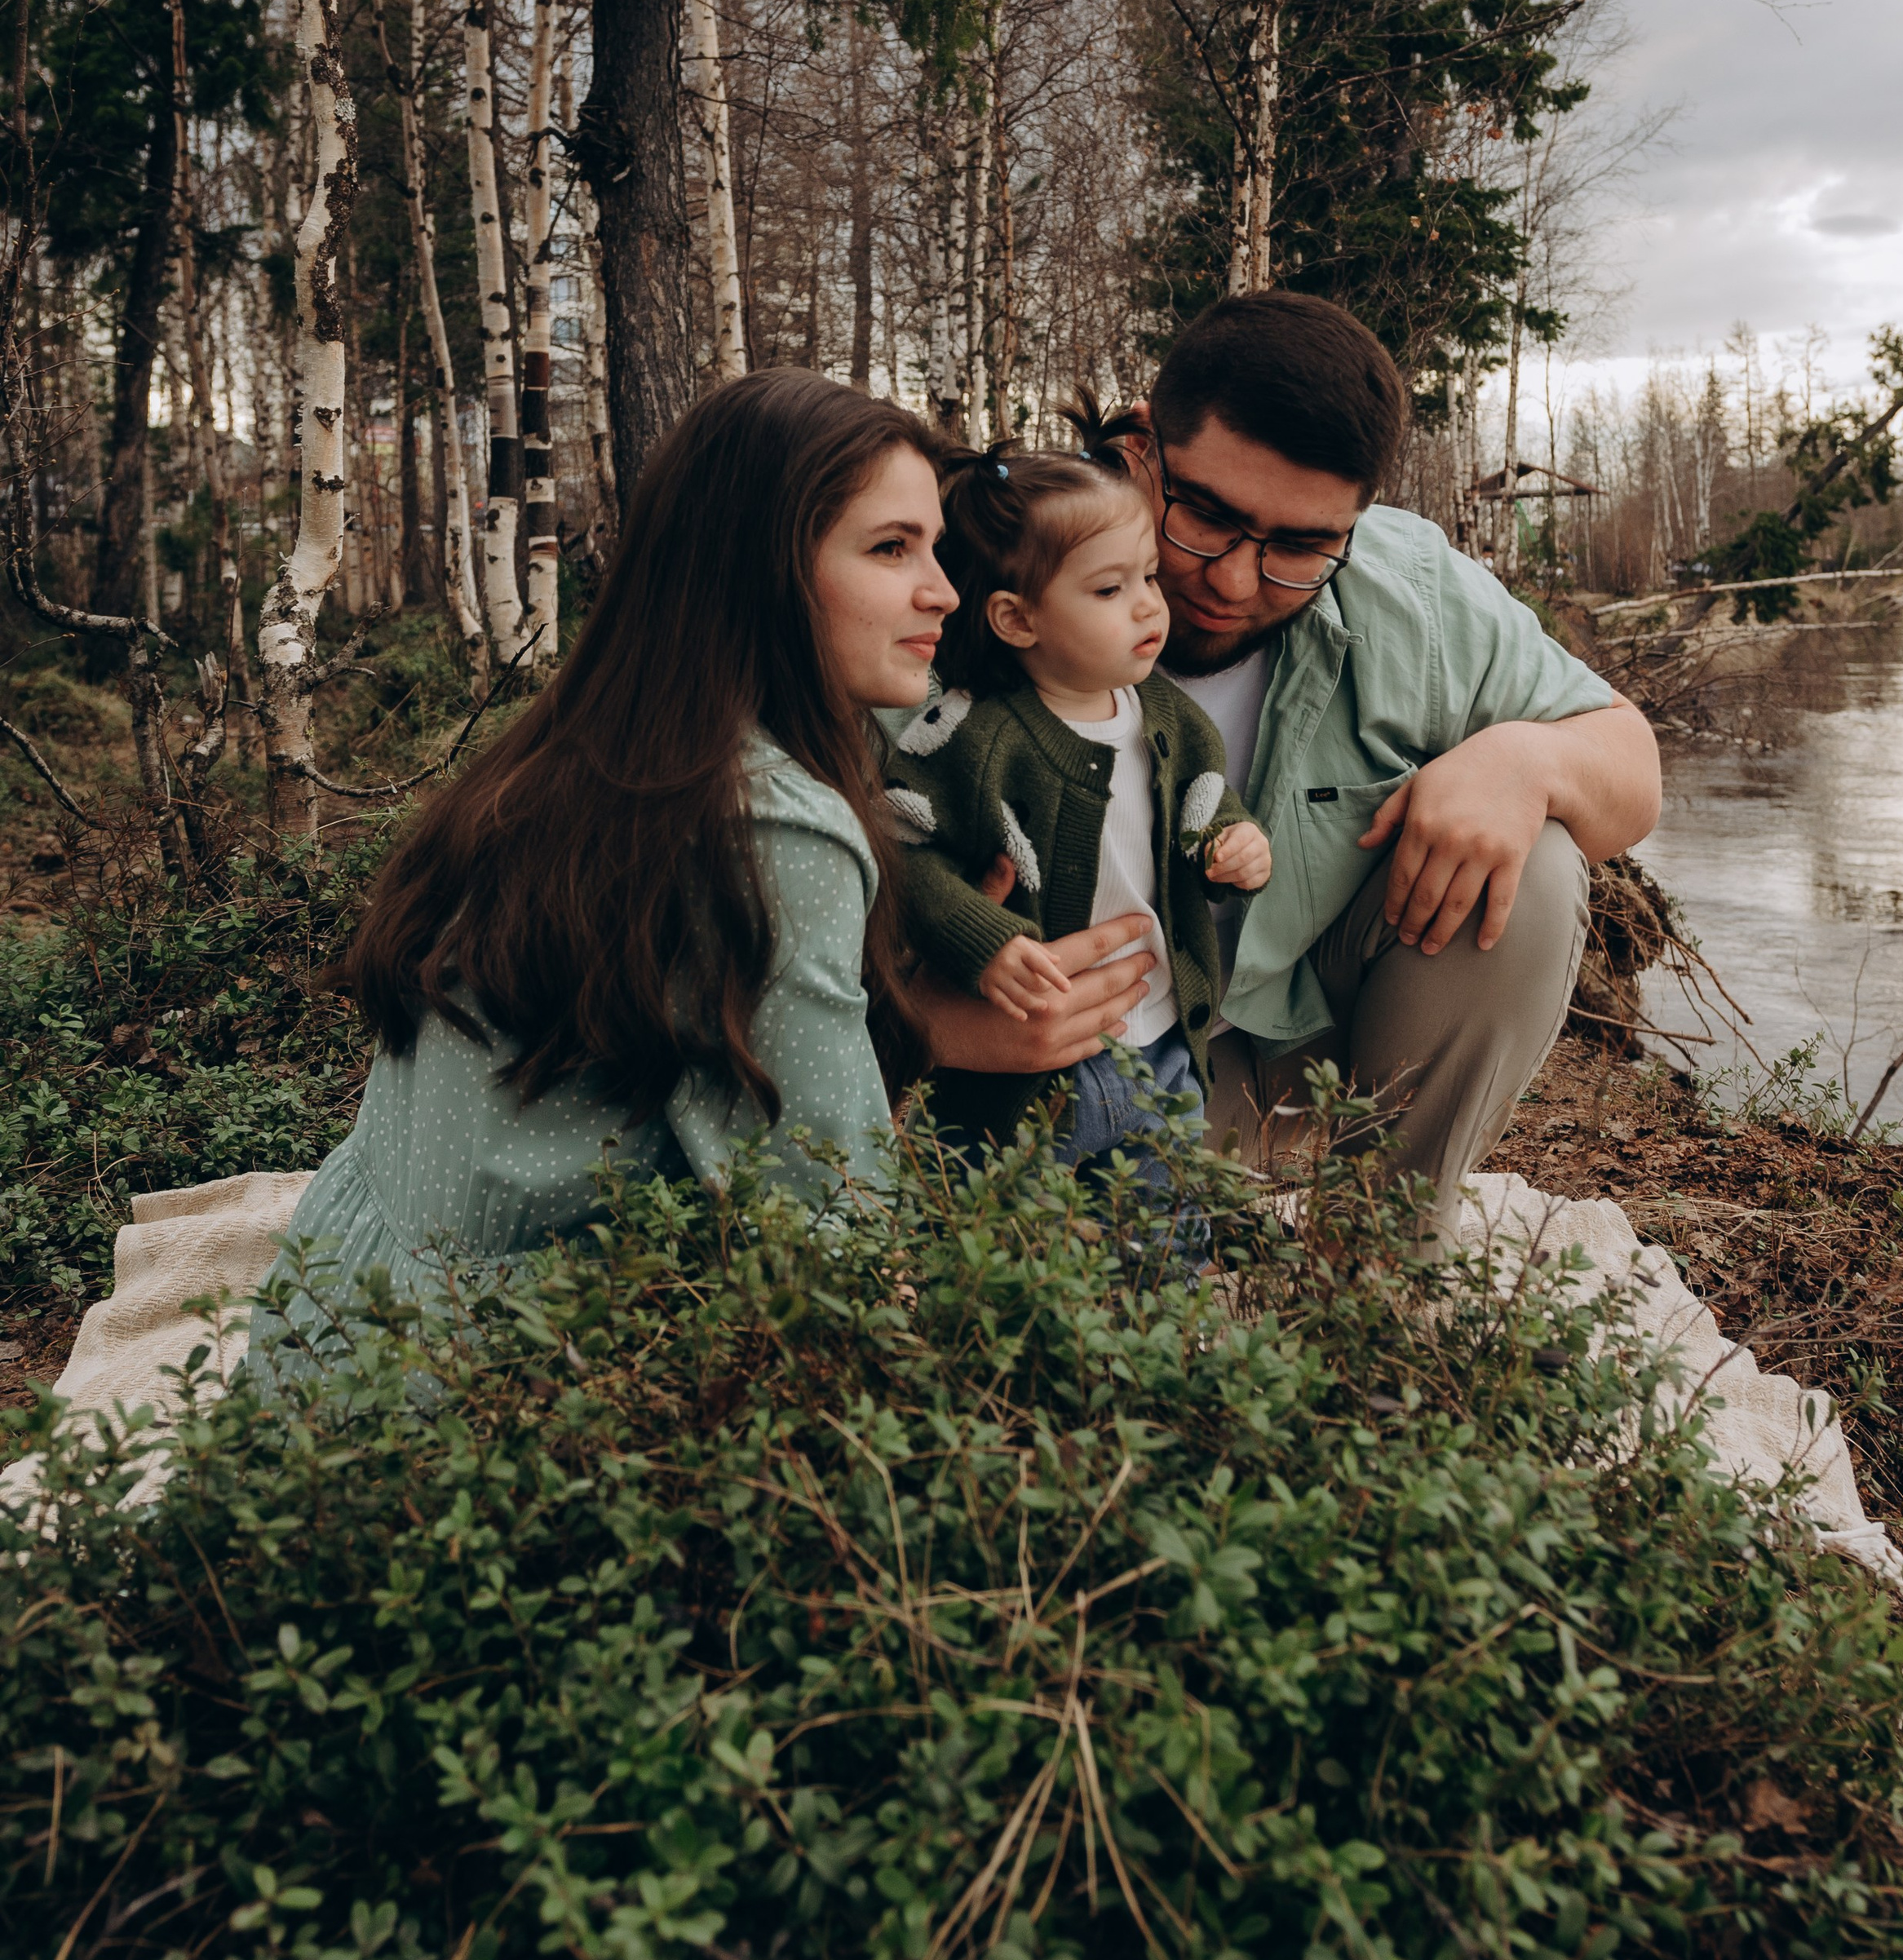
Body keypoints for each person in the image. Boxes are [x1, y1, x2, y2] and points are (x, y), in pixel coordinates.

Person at [912, 294, 1662, 1237]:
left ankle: (1373, 1272)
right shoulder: (987, 560)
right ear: (1142, 444)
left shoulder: (1411, 590)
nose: (1232, 580)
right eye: (1207, 517)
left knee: (1539, 864)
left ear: (1357, 520)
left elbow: (1629, 766)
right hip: (1014, 1079)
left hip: (1272, 1080)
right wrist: (937, 1021)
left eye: (1302, 545)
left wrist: (1525, 757)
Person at [250, 370, 959, 1358]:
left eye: (935, 547)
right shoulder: (769, 827)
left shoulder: (593, 748)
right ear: (756, 567)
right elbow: (832, 1223)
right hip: (490, 1392)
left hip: (333, 1323)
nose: (944, 590)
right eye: (891, 548)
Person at [887, 399, 1271, 1209]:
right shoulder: (970, 733)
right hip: (1011, 1073)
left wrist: (1232, 843)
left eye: (1148, 579)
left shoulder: (1166, 716)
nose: (1147, 606)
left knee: (1161, 1238)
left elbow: (1205, 798)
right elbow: (900, 848)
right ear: (1016, 618)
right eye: (1109, 588)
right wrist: (981, 939)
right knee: (997, 1239)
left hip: (1161, 1042)